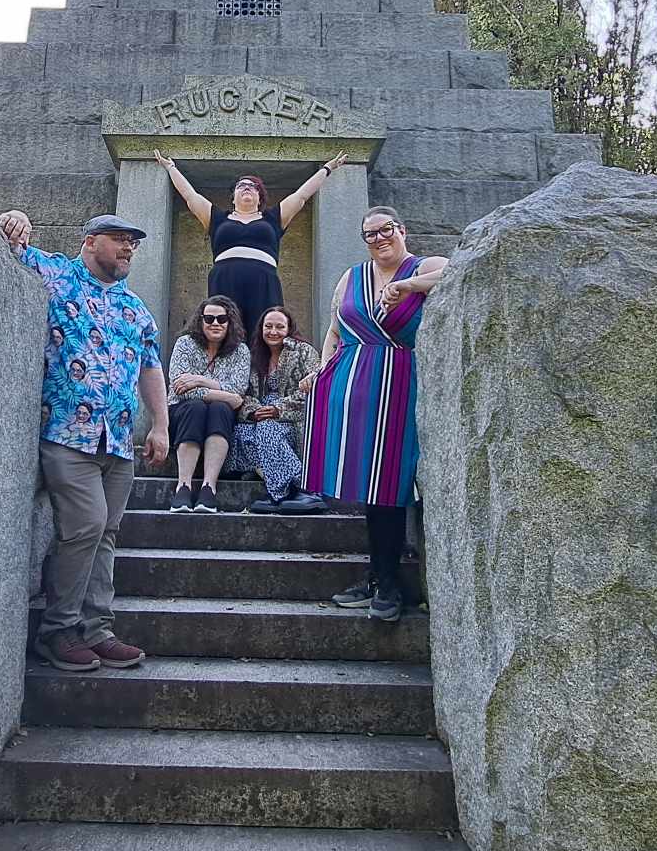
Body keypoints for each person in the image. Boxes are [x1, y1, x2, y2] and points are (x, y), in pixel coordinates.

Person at [0, 208, 169, 674]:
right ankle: (58, 631)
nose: (128, 248)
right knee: (86, 527)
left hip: (117, 442)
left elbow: (151, 366)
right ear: (90, 242)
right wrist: (14, 219)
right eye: (118, 239)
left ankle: (97, 629)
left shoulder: (134, 307)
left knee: (106, 535)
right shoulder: (58, 274)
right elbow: (11, 247)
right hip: (68, 434)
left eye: (133, 241)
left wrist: (160, 424)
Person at [299, 205, 447, 621]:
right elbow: (333, 330)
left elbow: (458, 273)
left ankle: (389, 584)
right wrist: (322, 371)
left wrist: (411, 286)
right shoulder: (352, 277)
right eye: (370, 234)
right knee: (369, 487)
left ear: (401, 230)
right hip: (352, 387)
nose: (379, 239)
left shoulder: (423, 265)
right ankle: (378, 576)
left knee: (391, 486)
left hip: (400, 385)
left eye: (385, 230)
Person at [154, 149, 349, 345]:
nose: (247, 188)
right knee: (224, 330)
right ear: (233, 196)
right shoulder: (217, 219)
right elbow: (190, 195)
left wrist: (327, 168)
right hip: (224, 280)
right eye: (241, 185)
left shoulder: (273, 218)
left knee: (266, 333)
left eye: (253, 186)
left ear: (260, 197)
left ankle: (263, 373)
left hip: (264, 283)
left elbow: (302, 195)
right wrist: (171, 167)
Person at [229, 305, 323, 512]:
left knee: (266, 429)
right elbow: (245, 393)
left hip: (295, 418)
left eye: (280, 327)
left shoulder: (303, 351)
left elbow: (315, 387)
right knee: (241, 434)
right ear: (261, 328)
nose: (273, 331)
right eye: (268, 326)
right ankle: (286, 491)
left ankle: (299, 489)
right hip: (261, 416)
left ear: (289, 329)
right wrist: (253, 411)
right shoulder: (253, 356)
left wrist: (278, 409)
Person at [163, 295, 251, 513]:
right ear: (200, 321)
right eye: (209, 318)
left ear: (230, 322)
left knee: (219, 409)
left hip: (219, 419)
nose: (215, 323)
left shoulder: (241, 351)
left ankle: (208, 488)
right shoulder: (185, 344)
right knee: (197, 407)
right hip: (183, 414)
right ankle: (183, 486)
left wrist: (201, 380)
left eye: (221, 319)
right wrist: (226, 394)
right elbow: (180, 389)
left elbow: (239, 389)